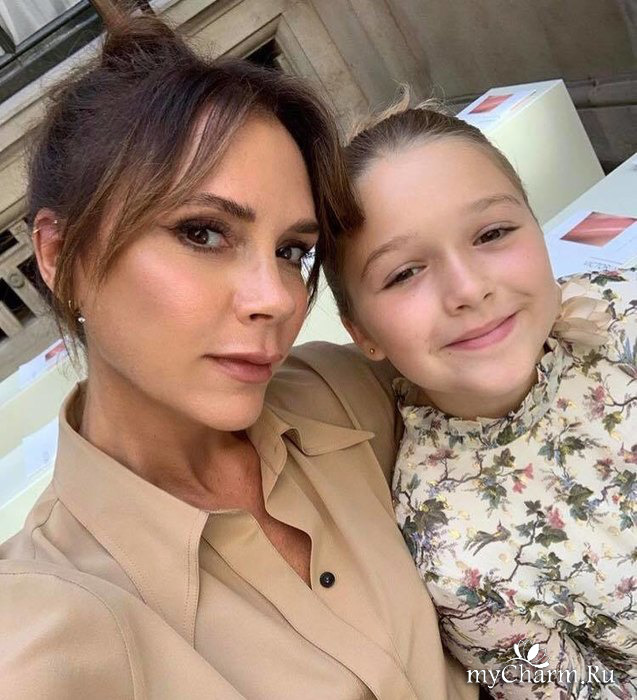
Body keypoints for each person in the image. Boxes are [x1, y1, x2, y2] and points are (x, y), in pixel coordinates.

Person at [0, 16, 475, 700]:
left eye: (290, 251)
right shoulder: (48, 624)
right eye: (203, 232)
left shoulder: (346, 392)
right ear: (58, 257)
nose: (276, 298)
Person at [322, 96, 637, 698]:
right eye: (404, 273)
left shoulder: (621, 308)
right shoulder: (457, 561)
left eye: (492, 233)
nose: (468, 288)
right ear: (361, 332)